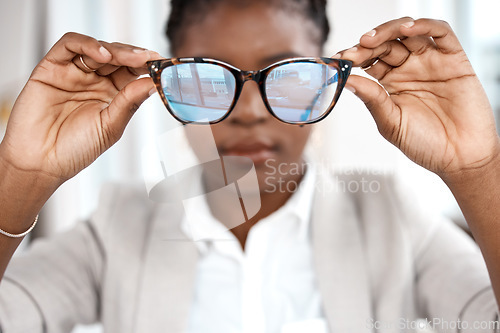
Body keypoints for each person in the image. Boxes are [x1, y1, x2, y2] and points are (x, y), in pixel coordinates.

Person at [0, 0, 499, 332]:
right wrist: (19, 177)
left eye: (287, 73)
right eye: (207, 78)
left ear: (325, 78)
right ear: (162, 83)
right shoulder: (116, 228)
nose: (250, 110)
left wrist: (478, 170)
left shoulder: (392, 217)